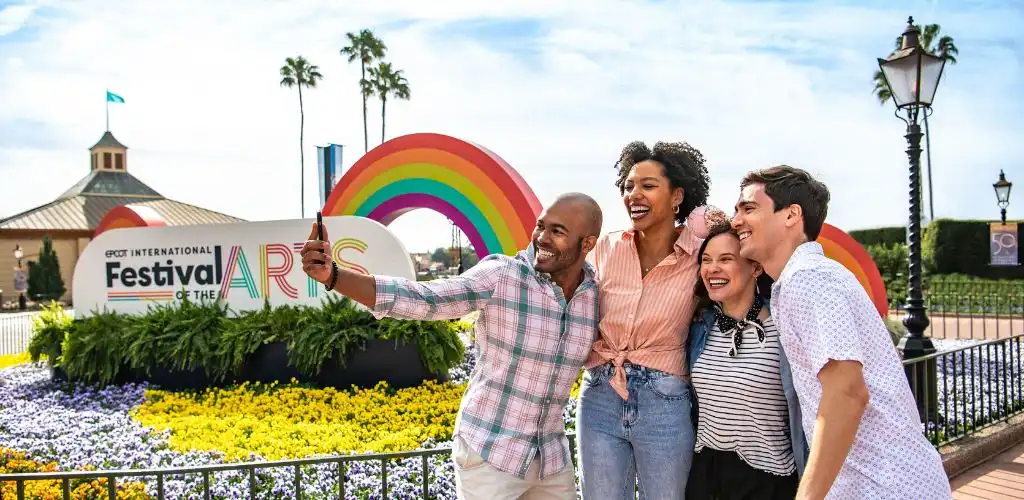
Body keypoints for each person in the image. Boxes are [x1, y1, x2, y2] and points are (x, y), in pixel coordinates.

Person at [300, 193, 604, 500]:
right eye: (541, 226)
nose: (542, 238)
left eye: (558, 231)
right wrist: (334, 276)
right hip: (490, 452)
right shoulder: (503, 276)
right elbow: (424, 299)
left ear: (587, 244)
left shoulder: (594, 295)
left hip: (550, 460)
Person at [730, 165, 951, 499]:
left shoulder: (808, 279)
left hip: (884, 487)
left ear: (791, 215)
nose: (736, 221)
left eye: (749, 208)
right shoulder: (808, 277)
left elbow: (847, 392)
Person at [576, 140, 724, 499]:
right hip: (600, 394)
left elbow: (743, 259)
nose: (633, 195)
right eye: (628, 186)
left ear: (677, 196)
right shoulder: (605, 248)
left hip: (665, 402)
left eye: (648, 185)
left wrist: (715, 222)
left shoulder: (701, 254)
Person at [684, 223, 809, 500]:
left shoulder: (785, 329)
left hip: (767, 480)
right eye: (706, 260)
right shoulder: (699, 326)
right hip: (705, 476)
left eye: (726, 259)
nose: (712, 268)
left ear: (755, 268)